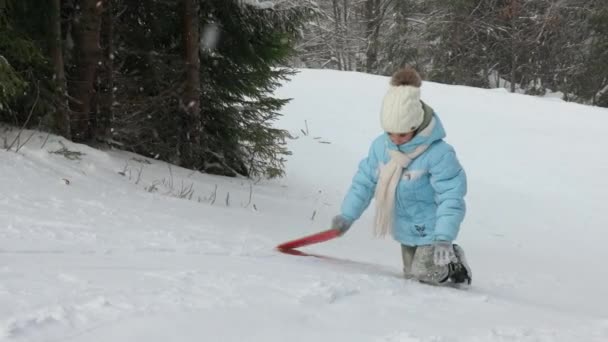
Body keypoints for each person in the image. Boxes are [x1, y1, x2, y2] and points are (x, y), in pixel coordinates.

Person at [330, 67, 472, 286]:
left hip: (433, 227)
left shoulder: (438, 153)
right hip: (404, 227)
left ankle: (454, 261)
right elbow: (364, 183)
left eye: (403, 134)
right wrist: (347, 215)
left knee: (425, 272)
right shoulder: (381, 148)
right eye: (390, 133)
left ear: (416, 126)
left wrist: (444, 236)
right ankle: (437, 266)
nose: (395, 140)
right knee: (412, 276)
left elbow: (451, 196)